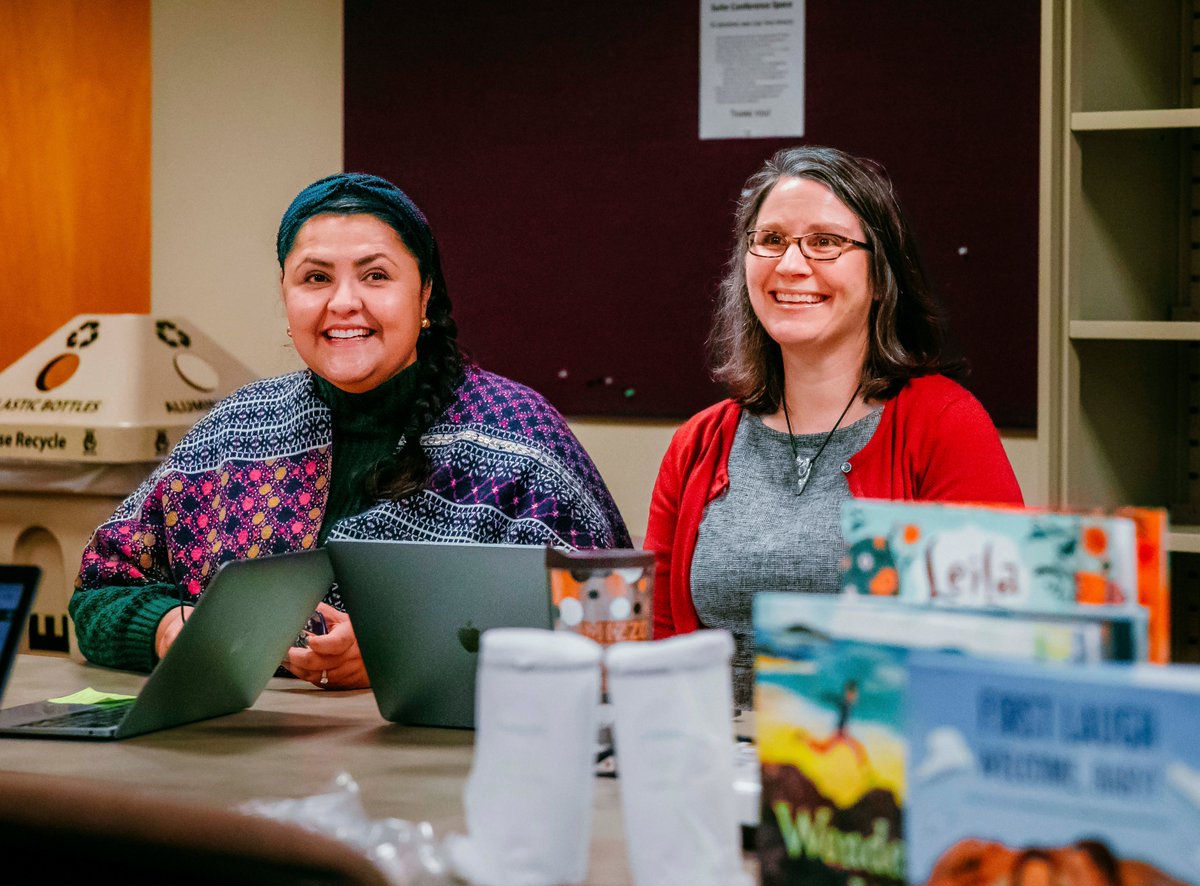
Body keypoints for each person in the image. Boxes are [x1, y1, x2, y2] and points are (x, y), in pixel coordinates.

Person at [70, 172, 630, 688]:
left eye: (376, 275)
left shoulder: (518, 438)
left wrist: (400, 652)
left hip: (443, 777)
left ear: (425, 293)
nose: (343, 303)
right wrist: (169, 630)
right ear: (286, 296)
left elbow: (604, 632)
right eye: (315, 278)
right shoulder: (231, 433)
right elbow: (99, 592)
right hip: (236, 768)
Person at [645, 146, 1023, 707]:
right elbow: (657, 638)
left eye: (825, 242)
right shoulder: (699, 443)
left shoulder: (944, 423)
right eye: (771, 240)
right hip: (711, 764)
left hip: (878, 770)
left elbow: (992, 639)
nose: (792, 265)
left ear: (880, 275)